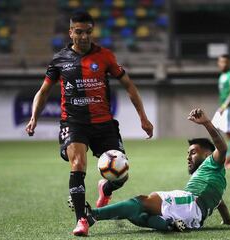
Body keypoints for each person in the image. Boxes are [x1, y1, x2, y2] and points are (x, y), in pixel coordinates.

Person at [25, 11, 154, 236]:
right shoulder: (59, 60)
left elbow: (129, 86)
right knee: (78, 164)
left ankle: (106, 188)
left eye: (88, 32)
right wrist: (34, 116)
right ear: (70, 32)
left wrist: (143, 117)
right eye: (79, 32)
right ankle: (82, 220)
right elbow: (43, 92)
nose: (84, 37)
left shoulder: (105, 56)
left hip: (103, 123)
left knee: (121, 175)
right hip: (74, 122)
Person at [79, 108, 230, 232]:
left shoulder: (212, 162)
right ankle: (169, 224)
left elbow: (222, 147)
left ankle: (92, 215)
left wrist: (207, 123)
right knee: (139, 216)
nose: (188, 157)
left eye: (193, 152)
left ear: (208, 154)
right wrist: (227, 220)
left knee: (140, 201)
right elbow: (219, 202)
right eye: (187, 153)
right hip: (194, 216)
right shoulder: (215, 179)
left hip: (189, 202)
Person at [212, 54, 230, 169]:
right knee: (215, 130)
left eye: (225, 62)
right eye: (220, 62)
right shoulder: (222, 76)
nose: (222, 64)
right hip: (223, 107)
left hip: (229, 108)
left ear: (229, 63)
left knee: (229, 134)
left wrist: (224, 106)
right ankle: (227, 157)